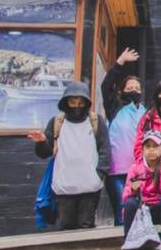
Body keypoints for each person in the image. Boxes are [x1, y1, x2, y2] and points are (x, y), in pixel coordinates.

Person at [27, 82, 110, 230]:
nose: (77, 106)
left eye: (80, 102)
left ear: (86, 102)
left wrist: (100, 174)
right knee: (65, 227)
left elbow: (105, 149)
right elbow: (45, 153)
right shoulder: (57, 122)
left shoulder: (96, 121)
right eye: (72, 102)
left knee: (86, 226)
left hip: (90, 185)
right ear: (66, 102)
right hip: (64, 185)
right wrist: (41, 142)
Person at [100, 47, 145, 226]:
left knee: (140, 208)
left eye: (136, 88)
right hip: (116, 171)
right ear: (122, 91)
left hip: (139, 170)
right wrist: (119, 63)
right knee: (122, 208)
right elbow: (105, 86)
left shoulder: (145, 111)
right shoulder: (115, 107)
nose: (133, 90)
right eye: (129, 87)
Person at [119, 130, 161, 250]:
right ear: (142, 149)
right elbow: (125, 195)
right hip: (143, 210)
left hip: (160, 208)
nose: (151, 150)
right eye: (148, 147)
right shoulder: (135, 168)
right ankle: (128, 246)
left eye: (155, 146)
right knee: (130, 203)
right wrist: (133, 190)